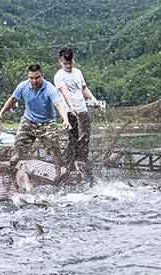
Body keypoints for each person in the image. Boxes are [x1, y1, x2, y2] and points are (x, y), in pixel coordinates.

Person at [0, 64, 71, 186]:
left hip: (47, 123)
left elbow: (59, 104)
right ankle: (10, 175)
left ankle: (59, 175)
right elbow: (12, 99)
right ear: (28, 77)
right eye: (31, 78)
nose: (34, 81)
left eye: (37, 77)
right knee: (17, 152)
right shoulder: (23, 86)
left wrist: (65, 119)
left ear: (42, 76)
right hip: (28, 122)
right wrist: (1, 113)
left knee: (55, 149)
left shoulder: (49, 88)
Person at [54, 47, 102, 181]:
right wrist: (71, 107)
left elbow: (84, 88)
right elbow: (65, 92)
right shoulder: (59, 76)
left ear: (73, 60)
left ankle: (82, 162)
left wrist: (93, 100)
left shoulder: (78, 72)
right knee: (73, 139)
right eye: (65, 63)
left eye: (70, 63)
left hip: (83, 109)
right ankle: (69, 166)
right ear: (60, 61)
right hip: (70, 111)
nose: (68, 66)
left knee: (85, 138)